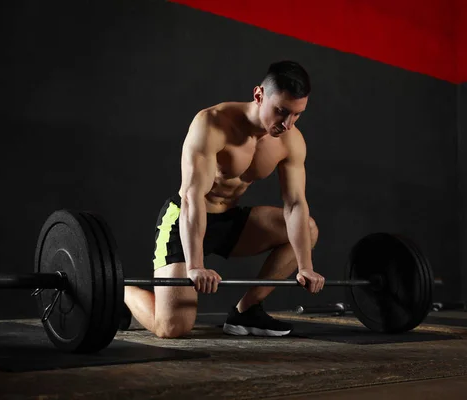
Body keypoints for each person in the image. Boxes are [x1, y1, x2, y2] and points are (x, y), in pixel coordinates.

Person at [123, 60, 325, 338]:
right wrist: (195, 266)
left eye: (297, 115)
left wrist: (305, 267)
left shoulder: (290, 141)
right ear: (259, 95)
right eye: (281, 112)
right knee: (172, 328)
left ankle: (246, 311)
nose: (287, 124)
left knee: (308, 229)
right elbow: (193, 196)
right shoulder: (212, 123)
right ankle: (121, 292)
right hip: (185, 219)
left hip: (229, 221)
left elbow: (295, 204)